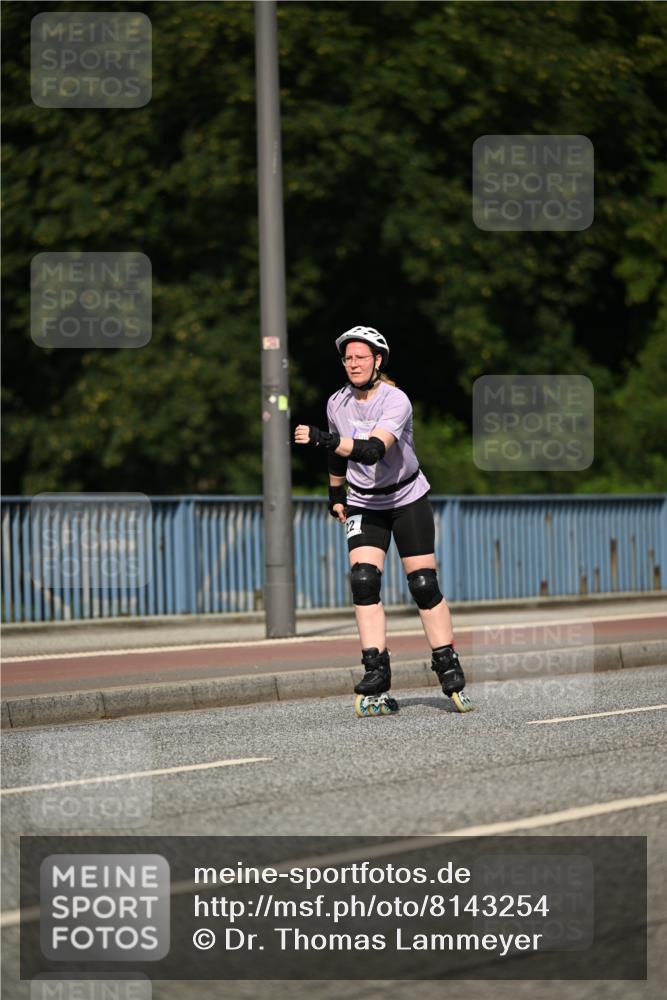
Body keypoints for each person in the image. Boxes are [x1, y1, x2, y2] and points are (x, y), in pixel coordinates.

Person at [294, 325, 473, 714]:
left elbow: (373, 450)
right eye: (348, 357)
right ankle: (376, 670)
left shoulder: (397, 400)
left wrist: (323, 438)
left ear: (377, 361)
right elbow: (339, 455)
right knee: (363, 580)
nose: (353, 363)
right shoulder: (336, 403)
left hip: (407, 497)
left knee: (423, 584)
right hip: (363, 502)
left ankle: (447, 662)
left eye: (361, 357)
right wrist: (336, 494)